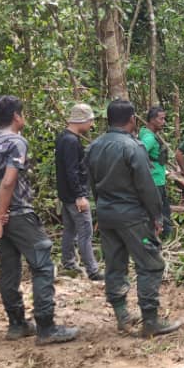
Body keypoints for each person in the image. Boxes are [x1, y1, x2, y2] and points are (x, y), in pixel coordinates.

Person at [0, 95, 78, 345]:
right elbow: (9, 181)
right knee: (42, 265)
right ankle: (46, 326)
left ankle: (17, 324)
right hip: (18, 214)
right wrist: (2, 211)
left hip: (0, 218)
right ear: (17, 117)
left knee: (9, 268)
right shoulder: (17, 142)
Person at [86, 99, 183, 338]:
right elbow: (145, 185)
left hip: (107, 214)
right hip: (132, 216)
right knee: (151, 263)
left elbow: (92, 183)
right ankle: (150, 320)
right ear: (132, 119)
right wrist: (157, 216)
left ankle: (122, 316)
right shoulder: (133, 147)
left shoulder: (94, 146)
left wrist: (100, 209)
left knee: (115, 264)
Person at [55, 103, 102, 281]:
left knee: (70, 229)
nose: (91, 125)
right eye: (90, 120)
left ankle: (69, 263)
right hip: (74, 196)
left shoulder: (64, 137)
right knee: (85, 231)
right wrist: (80, 196)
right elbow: (72, 171)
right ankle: (93, 270)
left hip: (66, 195)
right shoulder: (70, 141)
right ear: (81, 120)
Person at [139, 106, 173, 239]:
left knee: (161, 211)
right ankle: (159, 239)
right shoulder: (149, 138)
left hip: (157, 178)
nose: (163, 122)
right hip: (154, 182)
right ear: (152, 120)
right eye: (161, 119)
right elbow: (139, 154)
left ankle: (160, 237)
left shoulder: (146, 133)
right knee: (160, 212)